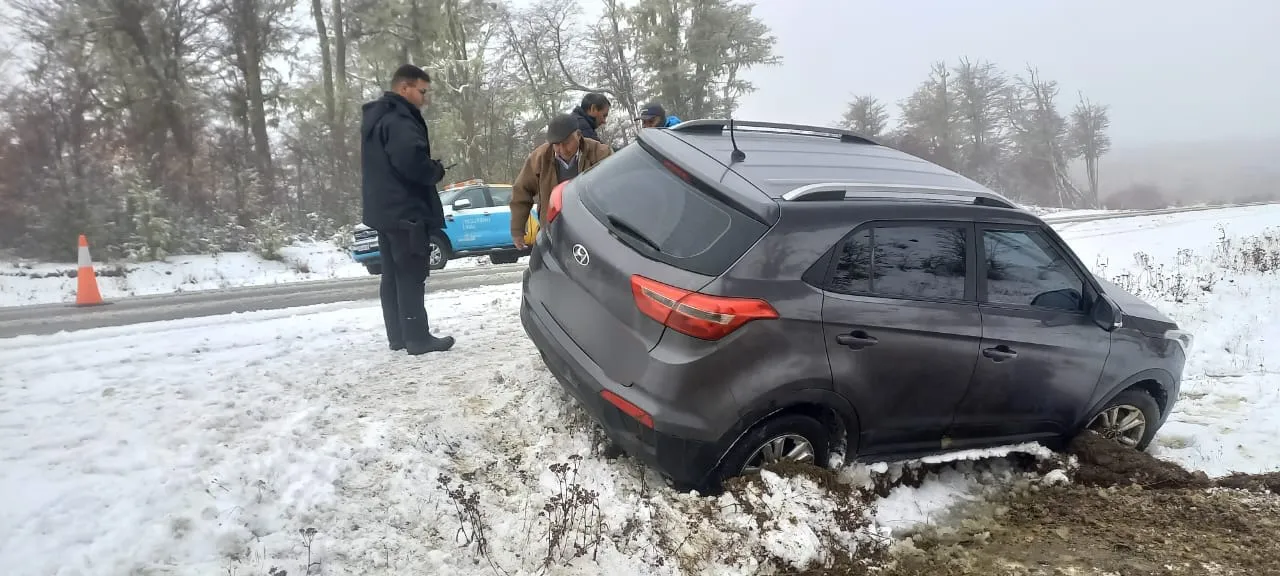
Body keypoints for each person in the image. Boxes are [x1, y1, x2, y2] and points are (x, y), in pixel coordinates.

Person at [360, 63, 455, 355]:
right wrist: (435, 170)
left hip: (385, 211)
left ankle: (399, 336)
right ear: (404, 88)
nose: (425, 98)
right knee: (411, 273)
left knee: (392, 275)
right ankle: (417, 338)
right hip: (406, 210)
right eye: (422, 91)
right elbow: (411, 162)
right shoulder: (400, 120)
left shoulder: (377, 118)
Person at [510, 113, 613, 250]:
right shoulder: (539, 158)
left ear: (578, 135)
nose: (562, 150)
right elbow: (522, 191)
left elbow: (614, 190)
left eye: (566, 143)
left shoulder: (600, 153)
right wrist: (517, 229)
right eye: (556, 145)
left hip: (593, 230)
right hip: (554, 231)